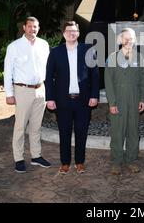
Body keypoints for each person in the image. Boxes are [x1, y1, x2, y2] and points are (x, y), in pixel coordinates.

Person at [45, 21, 99, 175]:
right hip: (63, 100)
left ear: (79, 33)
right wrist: (50, 98)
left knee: (82, 132)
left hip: (83, 100)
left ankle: (80, 162)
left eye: (74, 31)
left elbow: (95, 75)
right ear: (63, 34)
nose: (71, 33)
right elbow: (49, 78)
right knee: (64, 132)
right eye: (68, 31)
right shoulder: (55, 52)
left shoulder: (88, 50)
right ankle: (65, 162)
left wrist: (94, 95)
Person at [4, 17, 51, 173]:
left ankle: (36, 156)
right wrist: (9, 94)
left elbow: (48, 70)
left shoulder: (44, 45)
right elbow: (8, 72)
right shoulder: (14, 46)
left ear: (39, 28)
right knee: (20, 126)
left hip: (41, 89)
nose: (33, 29)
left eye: (35, 27)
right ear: (24, 27)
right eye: (30, 26)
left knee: (36, 126)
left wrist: (49, 90)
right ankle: (18, 159)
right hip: (22, 90)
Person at [104, 28, 144, 175]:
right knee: (117, 132)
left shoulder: (140, 58)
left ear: (135, 40)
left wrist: (143, 98)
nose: (128, 40)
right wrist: (112, 103)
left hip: (134, 100)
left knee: (133, 132)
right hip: (118, 101)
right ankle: (116, 162)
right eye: (125, 38)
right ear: (120, 40)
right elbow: (108, 82)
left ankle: (131, 160)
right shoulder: (112, 58)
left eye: (131, 38)